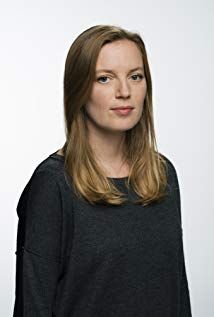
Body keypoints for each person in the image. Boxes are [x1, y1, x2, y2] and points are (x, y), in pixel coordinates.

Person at [13, 24, 192, 316]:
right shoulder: (53, 185)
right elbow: (34, 305)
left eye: (135, 76)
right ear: (79, 89)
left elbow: (177, 295)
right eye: (105, 79)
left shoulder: (162, 175)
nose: (125, 92)